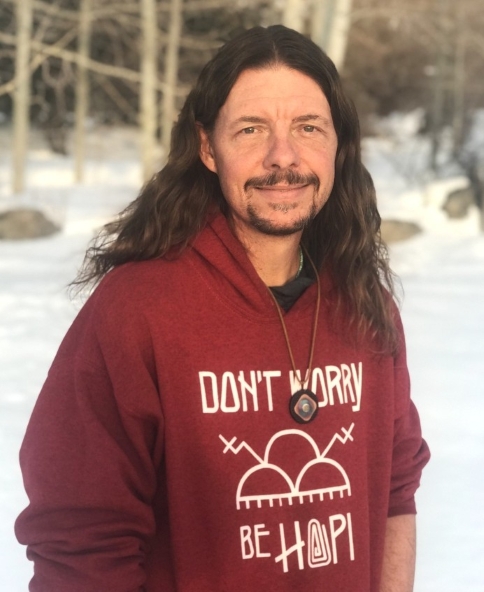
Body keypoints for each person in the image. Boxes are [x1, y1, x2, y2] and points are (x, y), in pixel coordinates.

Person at [15, 25, 430, 592]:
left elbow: (395, 489)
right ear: (208, 147)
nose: (282, 157)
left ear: (339, 144)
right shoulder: (138, 310)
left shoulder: (365, 303)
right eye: (251, 129)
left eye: (308, 128)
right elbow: (81, 542)